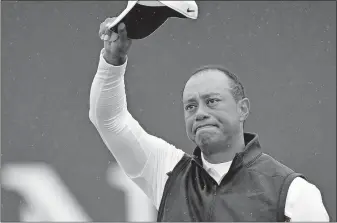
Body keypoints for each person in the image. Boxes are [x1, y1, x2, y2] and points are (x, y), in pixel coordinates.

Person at [89, 18, 330, 222]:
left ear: (243, 109)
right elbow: (109, 119)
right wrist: (113, 59)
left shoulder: (293, 193)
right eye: (190, 106)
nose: (200, 113)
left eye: (212, 101)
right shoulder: (166, 171)